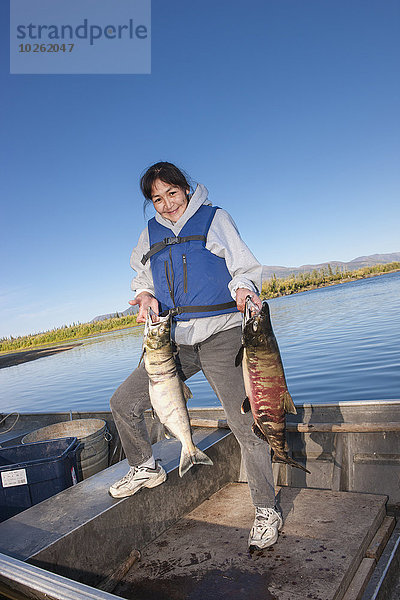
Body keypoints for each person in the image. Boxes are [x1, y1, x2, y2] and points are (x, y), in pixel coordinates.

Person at [109, 162, 282, 549]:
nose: (167, 204)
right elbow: (142, 278)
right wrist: (144, 296)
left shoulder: (214, 218)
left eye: (172, 193)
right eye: (157, 198)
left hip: (222, 335)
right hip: (173, 344)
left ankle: (266, 508)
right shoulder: (148, 235)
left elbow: (244, 265)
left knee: (246, 425)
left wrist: (243, 289)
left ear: (186, 189)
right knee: (123, 402)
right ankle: (144, 467)